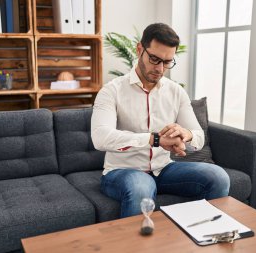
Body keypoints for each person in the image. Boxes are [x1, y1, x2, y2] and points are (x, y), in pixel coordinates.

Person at [91, 23, 230, 218]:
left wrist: (185, 135)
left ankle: (205, 238)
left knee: (218, 177)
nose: (160, 68)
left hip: (164, 169)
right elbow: (100, 138)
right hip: (122, 171)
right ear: (140, 49)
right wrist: (154, 139)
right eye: (154, 59)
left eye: (167, 62)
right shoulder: (111, 91)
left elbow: (199, 136)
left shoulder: (176, 92)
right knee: (140, 188)